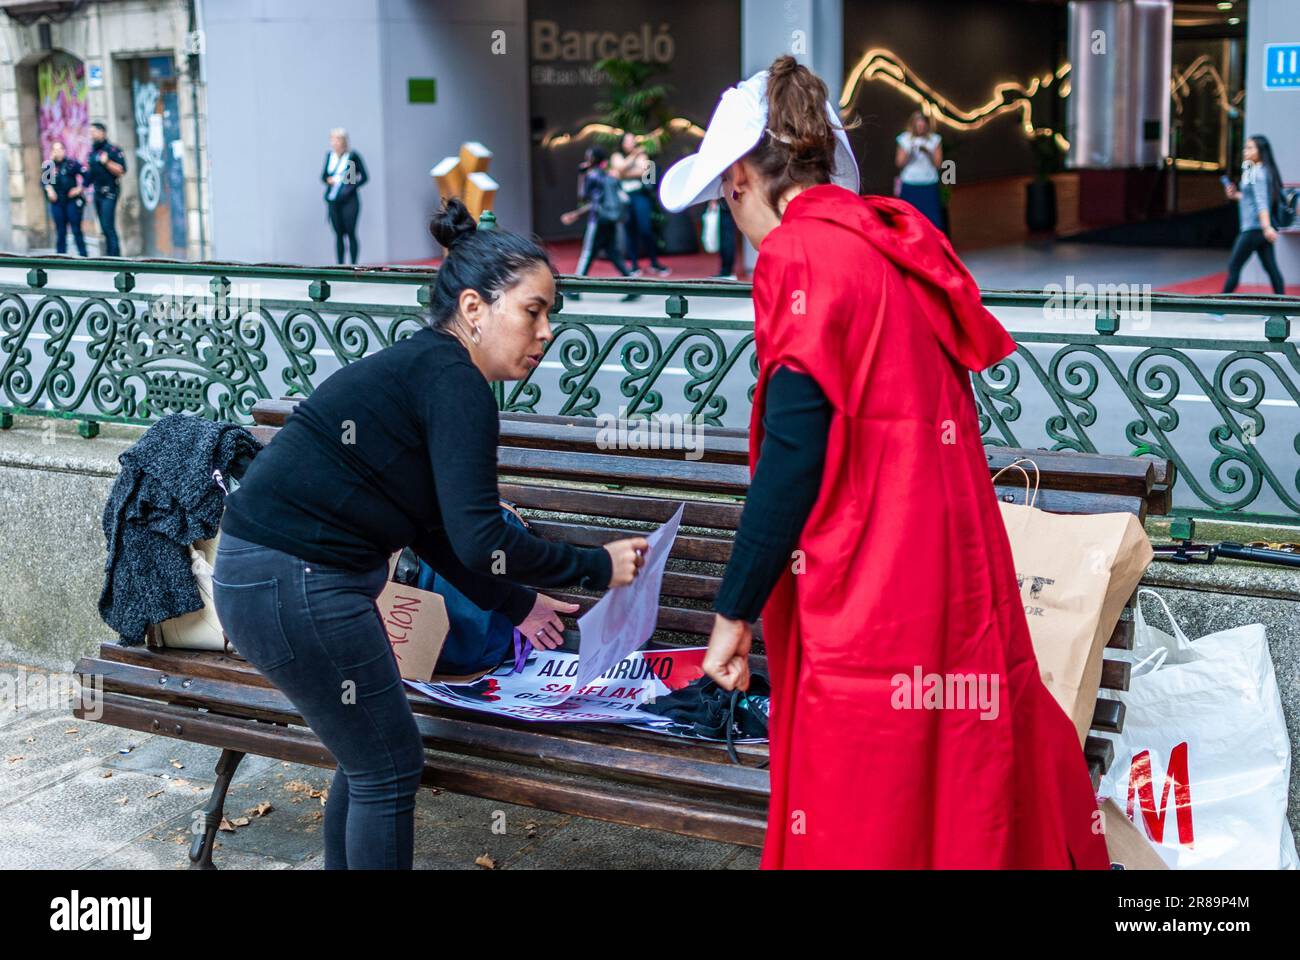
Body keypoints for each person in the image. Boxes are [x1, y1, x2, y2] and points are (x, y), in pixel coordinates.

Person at [659, 56, 1109, 870]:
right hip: (949, 586)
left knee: (862, 813)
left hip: (864, 594)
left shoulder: (798, 259)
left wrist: (733, 615)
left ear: (737, 181)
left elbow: (794, 458)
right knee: (952, 791)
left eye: (725, 195)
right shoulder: (894, 246)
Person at [212, 198, 650, 870]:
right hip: (294, 578)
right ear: (474, 309)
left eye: (551, 314)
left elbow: (438, 534)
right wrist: (596, 567)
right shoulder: (456, 382)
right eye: (533, 310)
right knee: (388, 765)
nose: (547, 330)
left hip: (269, 576)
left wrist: (519, 604)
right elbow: (482, 541)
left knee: (369, 762)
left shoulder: (432, 371)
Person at [1222, 135, 1286, 295]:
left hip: (1253, 229)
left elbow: (1261, 201)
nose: (1246, 151)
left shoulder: (1257, 172)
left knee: (1234, 266)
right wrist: (1235, 195)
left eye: (1250, 148)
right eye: (1245, 147)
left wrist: (1266, 227)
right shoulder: (1257, 170)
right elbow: (1250, 198)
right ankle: (1284, 307)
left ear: (1261, 151)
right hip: (1258, 228)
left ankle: (1217, 308)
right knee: (1271, 268)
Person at [560, 146, 635, 279]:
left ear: (592, 159)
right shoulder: (609, 176)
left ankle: (575, 286)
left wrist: (582, 174)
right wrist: (577, 214)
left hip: (597, 220)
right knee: (613, 252)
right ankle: (633, 284)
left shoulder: (592, 176)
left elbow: (582, 196)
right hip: (610, 218)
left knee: (588, 252)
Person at [610, 132, 671, 276]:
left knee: (646, 228)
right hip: (624, 197)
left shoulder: (643, 156)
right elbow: (619, 168)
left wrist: (623, 172)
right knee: (629, 229)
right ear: (622, 143)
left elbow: (645, 172)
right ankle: (634, 264)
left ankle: (654, 262)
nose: (632, 144)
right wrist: (633, 158)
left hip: (640, 195)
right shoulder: (617, 156)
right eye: (628, 141)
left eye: (633, 141)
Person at [322, 128, 369, 264]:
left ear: (344, 141)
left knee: (350, 232)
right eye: (333, 140)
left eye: (338, 140)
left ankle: (353, 265)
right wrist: (329, 180)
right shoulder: (329, 156)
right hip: (334, 199)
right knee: (338, 234)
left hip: (349, 200)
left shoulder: (352, 156)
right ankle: (340, 265)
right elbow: (323, 176)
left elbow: (363, 177)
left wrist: (350, 184)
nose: (335, 143)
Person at [894, 111, 943, 230]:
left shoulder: (934, 139)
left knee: (931, 219)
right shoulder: (904, 139)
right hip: (910, 183)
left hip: (928, 183)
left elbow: (938, 164)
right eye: (918, 125)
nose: (920, 128)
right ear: (913, 125)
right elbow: (899, 163)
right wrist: (909, 151)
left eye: (922, 125)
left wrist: (928, 152)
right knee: (910, 218)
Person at [84, 122, 127, 256]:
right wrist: (82, 187)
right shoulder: (92, 152)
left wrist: (107, 162)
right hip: (97, 192)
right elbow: (90, 174)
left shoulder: (113, 150)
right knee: (103, 226)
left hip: (110, 191)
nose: (91, 135)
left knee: (108, 225)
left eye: (94, 132)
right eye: (90, 132)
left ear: (102, 132)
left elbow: (121, 170)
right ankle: (108, 256)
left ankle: (115, 257)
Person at [41, 140, 88, 257]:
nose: (58, 152)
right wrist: (49, 190)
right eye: (55, 150)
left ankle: (84, 255)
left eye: (60, 149)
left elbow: (88, 176)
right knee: (60, 230)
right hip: (57, 202)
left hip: (71, 200)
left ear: (64, 150)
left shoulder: (72, 164)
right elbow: (44, 182)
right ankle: (60, 256)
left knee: (76, 228)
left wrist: (80, 189)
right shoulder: (49, 165)